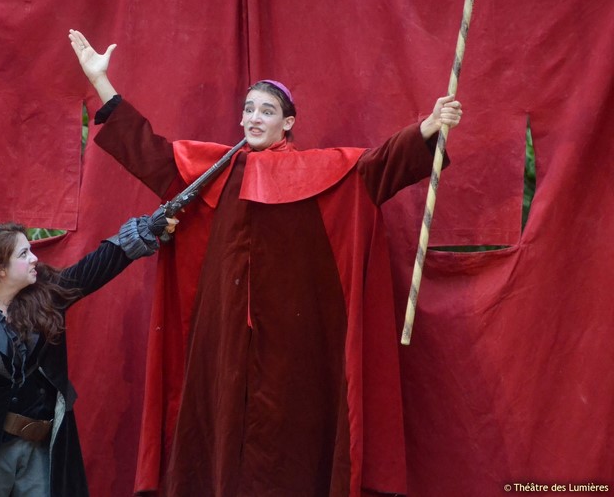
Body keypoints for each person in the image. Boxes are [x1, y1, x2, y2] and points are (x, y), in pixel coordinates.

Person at [69, 29, 462, 497]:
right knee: (218, 435)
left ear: (288, 123)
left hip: (298, 341)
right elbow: (146, 151)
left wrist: (428, 126)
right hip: (223, 337)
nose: (254, 118)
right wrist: (102, 83)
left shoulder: (322, 169)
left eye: (267, 111)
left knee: (289, 447)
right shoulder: (211, 170)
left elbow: (378, 167)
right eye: (249, 109)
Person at [0, 212, 177, 497]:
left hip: (39, 449)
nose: (34, 258)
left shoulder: (46, 297)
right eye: (24, 254)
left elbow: (93, 269)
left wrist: (146, 229)